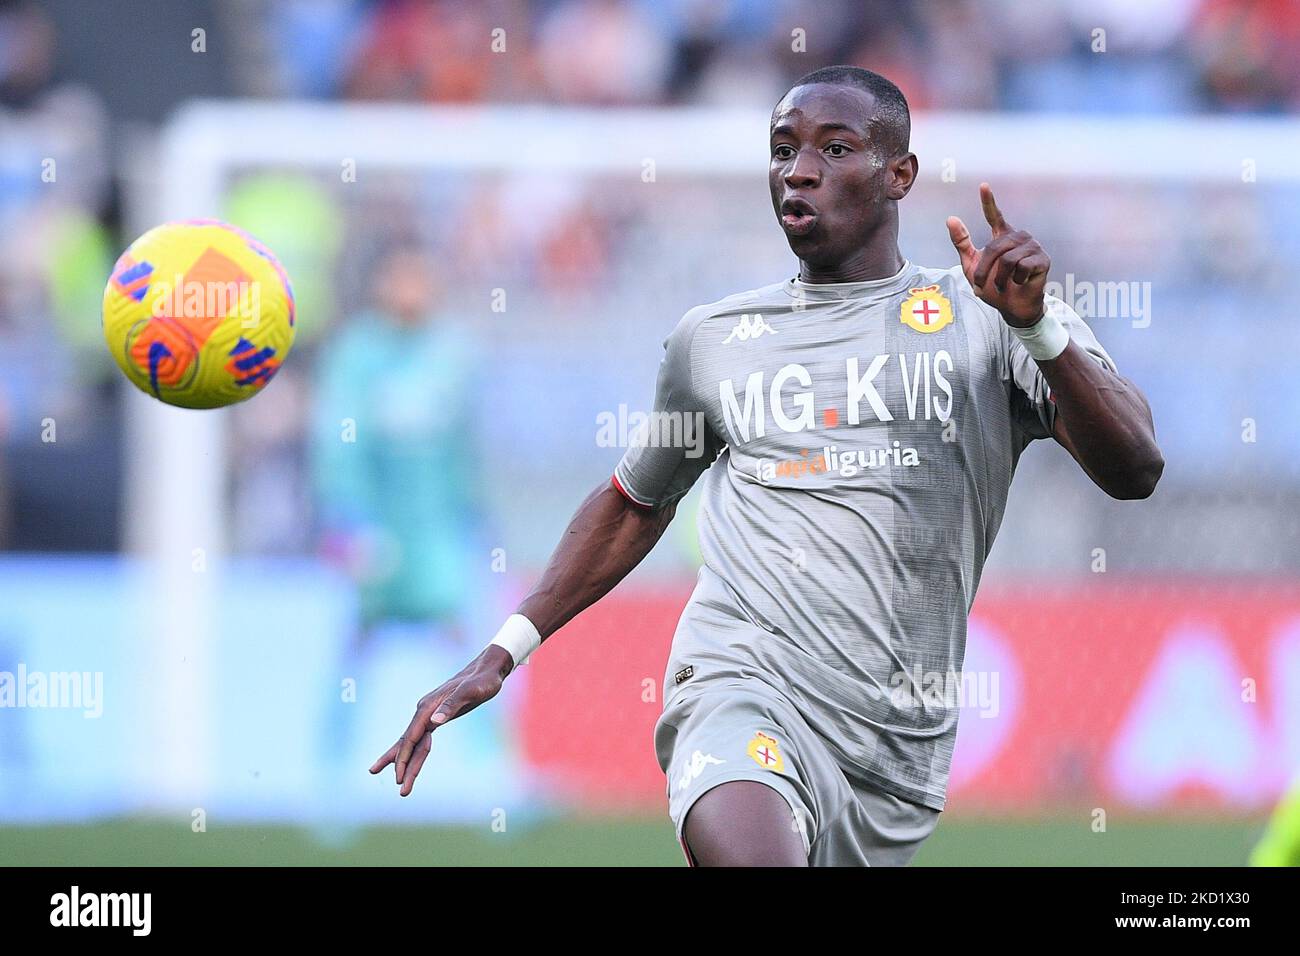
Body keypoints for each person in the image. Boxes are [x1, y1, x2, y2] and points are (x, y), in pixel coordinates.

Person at [370, 66, 1164, 866]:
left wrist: (1038, 332)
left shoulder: (987, 316)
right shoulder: (714, 339)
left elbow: (1135, 467)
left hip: (891, 749)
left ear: (900, 175)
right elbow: (634, 503)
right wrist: (503, 651)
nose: (799, 170)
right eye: (783, 150)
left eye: (835, 148)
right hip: (739, 684)